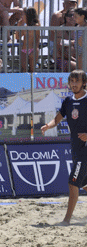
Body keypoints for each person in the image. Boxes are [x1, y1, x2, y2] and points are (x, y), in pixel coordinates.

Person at [41, 70, 87, 226]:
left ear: (84, 83)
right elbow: (58, 118)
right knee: (84, 184)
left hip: (85, 150)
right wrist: (48, 125)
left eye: (77, 81)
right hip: (76, 148)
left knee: (73, 183)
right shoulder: (68, 101)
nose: (74, 84)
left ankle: (66, 220)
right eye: (72, 81)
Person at [17, 6, 39, 73]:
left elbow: (37, 39)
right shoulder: (24, 26)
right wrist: (19, 25)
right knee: (24, 70)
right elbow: (18, 37)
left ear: (28, 15)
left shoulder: (36, 25)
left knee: (32, 70)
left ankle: (32, 83)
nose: (22, 16)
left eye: (23, 14)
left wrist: (35, 49)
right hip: (24, 50)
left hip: (33, 49)